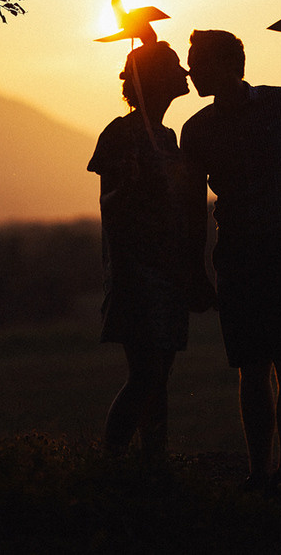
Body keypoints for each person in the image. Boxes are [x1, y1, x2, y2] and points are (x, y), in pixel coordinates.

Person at [180, 29, 281, 493]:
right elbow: (193, 207)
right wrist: (196, 270)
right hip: (236, 255)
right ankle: (258, 471)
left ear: (229, 64)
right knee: (251, 368)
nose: (191, 71)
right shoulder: (197, 129)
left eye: (198, 62)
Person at [87, 40, 211, 460]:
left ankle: (152, 463)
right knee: (146, 376)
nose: (186, 73)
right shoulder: (121, 134)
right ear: (154, 79)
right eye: (176, 66)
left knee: (160, 378)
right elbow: (112, 207)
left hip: (168, 271)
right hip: (138, 273)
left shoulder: (167, 136)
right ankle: (113, 460)